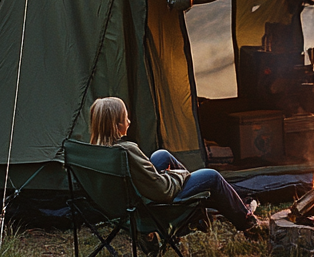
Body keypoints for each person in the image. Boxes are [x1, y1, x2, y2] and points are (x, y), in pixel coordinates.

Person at [89, 97, 266, 233]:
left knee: (161, 155)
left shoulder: (97, 153)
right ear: (117, 125)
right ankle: (248, 223)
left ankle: (199, 214)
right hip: (152, 202)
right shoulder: (126, 150)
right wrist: (180, 175)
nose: (129, 122)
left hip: (134, 197)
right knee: (211, 176)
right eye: (126, 118)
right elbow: (160, 189)